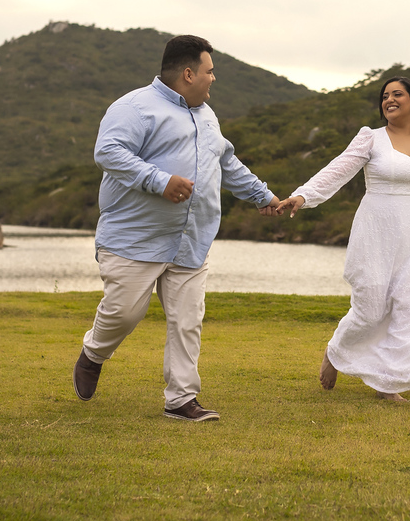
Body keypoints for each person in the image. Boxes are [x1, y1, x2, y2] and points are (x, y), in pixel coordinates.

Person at [73, 35, 280, 422]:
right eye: (209, 71)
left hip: (191, 240)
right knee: (124, 314)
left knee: (188, 320)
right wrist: (159, 180)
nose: (213, 79)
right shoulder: (134, 107)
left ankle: (181, 399)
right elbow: (108, 152)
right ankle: (94, 353)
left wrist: (262, 196)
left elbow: (227, 163)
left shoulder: (207, 115)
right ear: (188, 74)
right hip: (135, 238)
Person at [275, 77, 410, 401]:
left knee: (409, 308)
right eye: (385, 96)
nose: (389, 100)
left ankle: (387, 383)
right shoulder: (371, 138)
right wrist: (302, 196)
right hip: (376, 232)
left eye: (397, 94)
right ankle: (336, 350)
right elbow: (338, 169)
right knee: (370, 307)